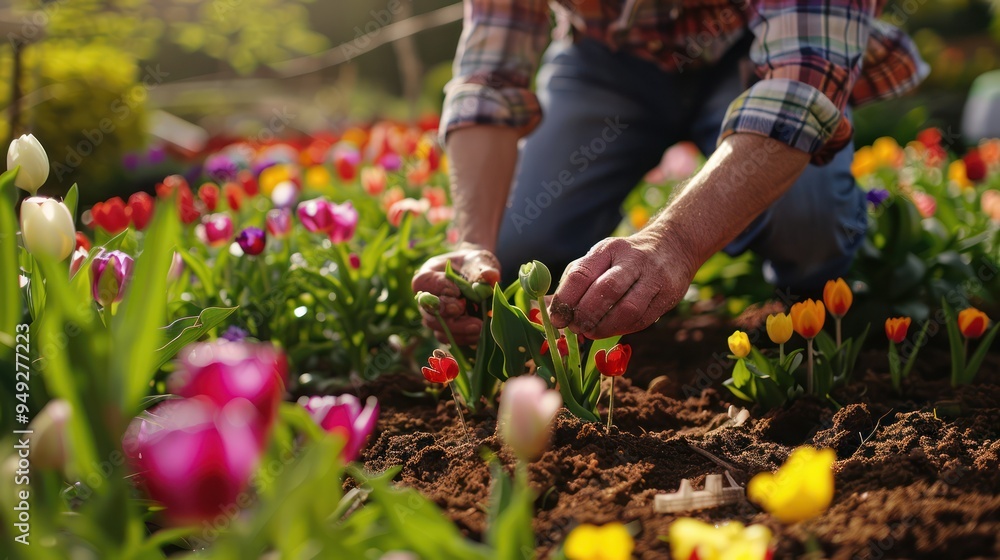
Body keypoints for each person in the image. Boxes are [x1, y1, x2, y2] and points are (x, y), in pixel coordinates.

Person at [413, 0, 927, 344]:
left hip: (754, 55)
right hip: (605, 62)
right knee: (516, 247)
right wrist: (473, 241)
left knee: (808, 223)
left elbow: (799, 93)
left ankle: (813, 308)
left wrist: (673, 243)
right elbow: (490, 76)